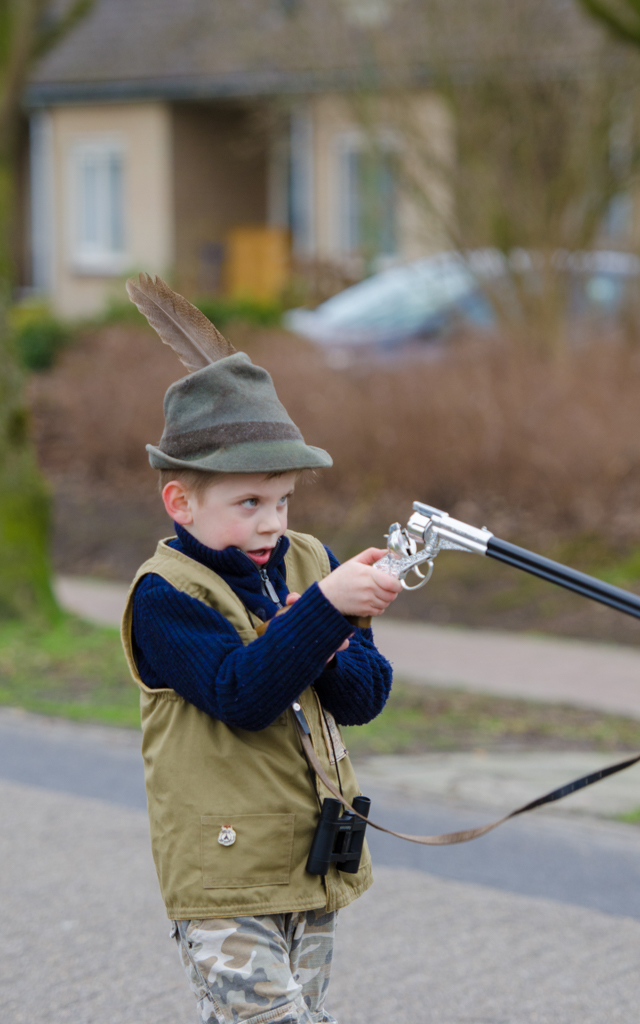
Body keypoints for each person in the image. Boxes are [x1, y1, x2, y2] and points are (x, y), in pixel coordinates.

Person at [120, 274, 401, 1024]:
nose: (272, 522)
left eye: (282, 500)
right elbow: (241, 694)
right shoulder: (165, 596)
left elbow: (364, 699)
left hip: (307, 867)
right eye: (248, 503)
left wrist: (341, 628)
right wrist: (323, 612)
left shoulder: (313, 563)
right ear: (181, 502)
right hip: (221, 876)